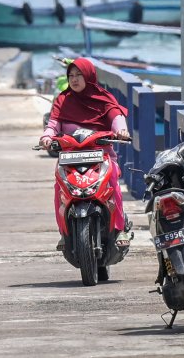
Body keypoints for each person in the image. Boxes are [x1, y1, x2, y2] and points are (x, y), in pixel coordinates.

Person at [40, 57, 131, 247]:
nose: (74, 80)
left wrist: (121, 130)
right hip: (70, 156)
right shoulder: (63, 100)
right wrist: (47, 137)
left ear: (89, 76)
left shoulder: (104, 98)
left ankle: (119, 228)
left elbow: (116, 116)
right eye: (71, 75)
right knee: (59, 188)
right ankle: (64, 233)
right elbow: (53, 124)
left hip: (101, 154)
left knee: (113, 180)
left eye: (79, 75)